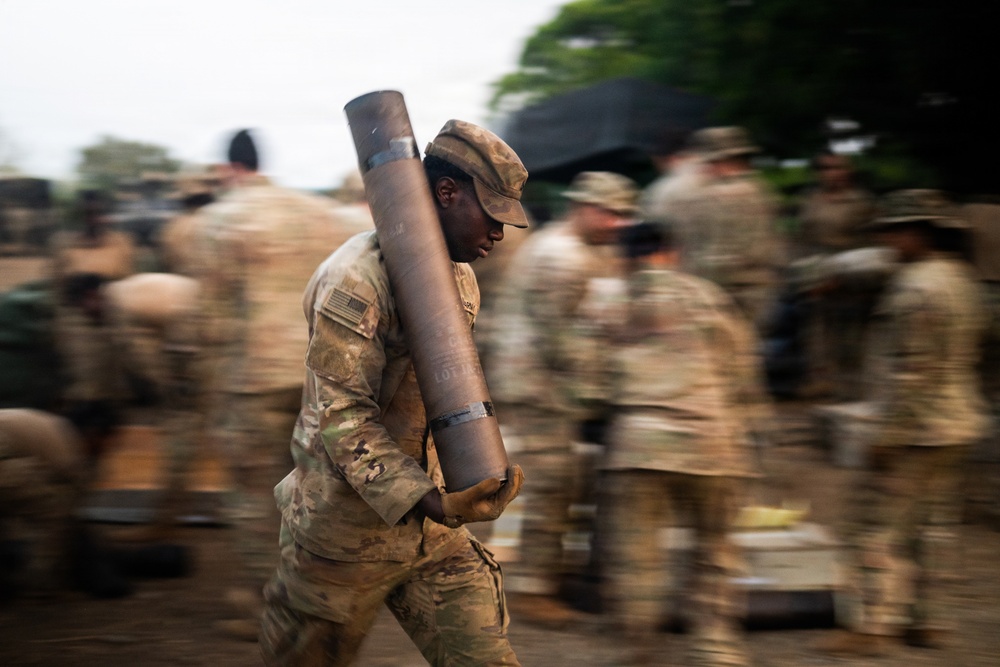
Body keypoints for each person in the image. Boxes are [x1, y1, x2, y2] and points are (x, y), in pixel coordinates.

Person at [259, 119, 527, 666]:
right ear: (447, 193)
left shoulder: (460, 277)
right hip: (344, 540)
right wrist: (433, 499)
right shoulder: (357, 281)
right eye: (493, 214)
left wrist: (471, 478)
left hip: (434, 537)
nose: (500, 233)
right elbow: (343, 418)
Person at [570, 221, 761, 666]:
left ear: (625, 257)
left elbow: (585, 384)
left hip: (638, 449)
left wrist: (599, 412)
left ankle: (641, 644)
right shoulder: (709, 297)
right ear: (671, 253)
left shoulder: (608, 301)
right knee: (715, 547)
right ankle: (715, 644)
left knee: (638, 554)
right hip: (715, 443)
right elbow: (743, 368)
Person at [189, 129, 351, 639]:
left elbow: (212, 320)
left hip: (252, 381)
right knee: (311, 491)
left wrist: (209, 394)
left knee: (253, 495)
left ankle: (274, 610)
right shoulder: (316, 214)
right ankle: (321, 597)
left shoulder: (220, 219)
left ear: (230, 168)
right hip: (316, 375)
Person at [821, 190, 990, 656]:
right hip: (959, 423)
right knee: (933, 527)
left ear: (917, 233)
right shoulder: (964, 280)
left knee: (877, 528)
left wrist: (887, 434)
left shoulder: (916, 289)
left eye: (892, 232)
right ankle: (928, 621)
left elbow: (912, 374)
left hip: (916, 429)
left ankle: (869, 628)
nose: (887, 242)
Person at [485, 171, 639, 625]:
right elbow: (561, 342)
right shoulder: (559, 257)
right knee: (553, 484)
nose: (618, 223)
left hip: (562, 384)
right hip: (542, 386)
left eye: (624, 215)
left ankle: (555, 573)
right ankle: (534, 587)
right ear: (583, 207)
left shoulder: (595, 251)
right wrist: (605, 388)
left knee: (572, 482)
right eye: (609, 213)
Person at [666, 127, 786, 334]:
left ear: (719, 160)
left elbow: (688, 247)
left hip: (719, 292)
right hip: (760, 290)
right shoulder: (763, 191)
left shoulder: (704, 196)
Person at [793, 152, 877, 399]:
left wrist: (850, 277)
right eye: (825, 168)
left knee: (851, 333)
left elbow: (871, 243)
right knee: (816, 329)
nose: (831, 173)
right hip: (816, 272)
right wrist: (803, 273)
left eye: (837, 168)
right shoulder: (810, 200)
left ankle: (852, 384)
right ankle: (821, 380)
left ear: (848, 170)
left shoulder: (861, 202)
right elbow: (802, 237)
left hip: (850, 273)